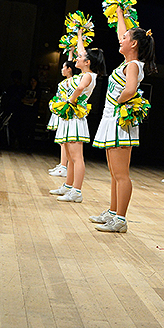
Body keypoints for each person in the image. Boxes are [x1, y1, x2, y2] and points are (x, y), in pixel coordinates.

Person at [89, 7, 157, 232]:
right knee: (114, 173)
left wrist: (118, 101)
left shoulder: (133, 66)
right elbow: (121, 35)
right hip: (112, 119)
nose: (121, 40)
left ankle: (121, 219)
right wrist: (119, 15)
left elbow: (130, 90)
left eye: (126, 38)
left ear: (135, 44)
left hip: (120, 122)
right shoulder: (128, 62)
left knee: (121, 174)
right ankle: (112, 212)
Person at [49, 31, 105, 202]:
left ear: (87, 62)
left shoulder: (88, 76)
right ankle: (68, 186)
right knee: (69, 156)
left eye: (80, 57)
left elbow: (79, 89)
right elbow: (81, 49)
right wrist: (79, 33)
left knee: (76, 157)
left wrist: (69, 102)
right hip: (70, 116)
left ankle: (77, 191)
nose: (76, 59)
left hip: (75, 117)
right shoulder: (85, 72)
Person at [47, 53, 80, 177]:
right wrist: (70, 52)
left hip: (66, 110)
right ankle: (62, 165)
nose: (62, 70)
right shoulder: (67, 80)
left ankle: (63, 166)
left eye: (64, 67)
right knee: (62, 141)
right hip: (61, 109)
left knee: (64, 141)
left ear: (69, 69)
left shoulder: (73, 81)